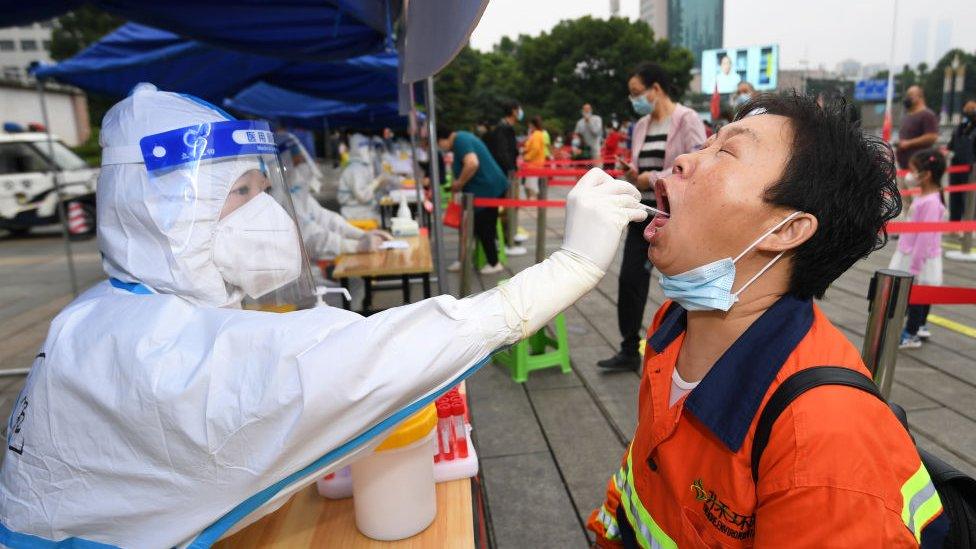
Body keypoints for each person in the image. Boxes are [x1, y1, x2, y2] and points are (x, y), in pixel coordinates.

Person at [0, 83, 647, 547]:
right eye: (243, 195)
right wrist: (565, 272)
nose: (266, 214)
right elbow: (352, 363)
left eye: (263, 190)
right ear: (167, 212)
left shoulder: (103, 317)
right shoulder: (150, 355)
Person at [587, 92, 946, 547]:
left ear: (786, 230)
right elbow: (641, 476)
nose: (683, 159)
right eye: (706, 143)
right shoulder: (673, 321)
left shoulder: (822, 442)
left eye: (727, 152)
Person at [598, 62, 706, 371]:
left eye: (637, 93)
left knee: (683, 282)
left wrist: (654, 177)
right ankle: (629, 347)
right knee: (630, 279)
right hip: (642, 212)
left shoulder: (687, 119)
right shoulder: (642, 125)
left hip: (674, 215)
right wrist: (633, 175)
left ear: (655, 89)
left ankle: (692, 351)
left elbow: (696, 164)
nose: (634, 100)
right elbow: (639, 166)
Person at [278, 132, 391, 258]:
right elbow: (310, 238)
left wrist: (362, 234)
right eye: (298, 161)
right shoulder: (280, 202)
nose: (304, 165)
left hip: (312, 265)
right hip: (301, 273)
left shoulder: (298, 195)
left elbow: (327, 219)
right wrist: (354, 246)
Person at [890, 149, 947, 349]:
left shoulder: (930, 202)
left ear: (927, 174)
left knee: (916, 294)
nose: (910, 175)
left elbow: (925, 236)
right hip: (918, 254)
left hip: (917, 256)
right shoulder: (930, 196)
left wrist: (914, 266)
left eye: (914, 171)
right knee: (924, 291)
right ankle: (921, 325)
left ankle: (911, 333)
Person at [438, 126, 511, 274]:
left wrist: (459, 183)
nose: (440, 147)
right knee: (473, 225)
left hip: (488, 190)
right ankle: (465, 260)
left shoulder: (460, 141)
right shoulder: (461, 139)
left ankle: (494, 262)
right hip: (484, 190)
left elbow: (472, 163)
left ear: (442, 139)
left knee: (484, 226)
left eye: (438, 143)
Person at [337, 133, 386, 221]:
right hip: (355, 213)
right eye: (366, 148)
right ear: (358, 149)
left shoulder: (361, 166)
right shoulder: (356, 169)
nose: (370, 151)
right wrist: (377, 182)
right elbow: (362, 196)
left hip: (361, 210)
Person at [895, 85, 939, 170]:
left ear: (920, 97)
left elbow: (932, 137)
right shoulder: (907, 115)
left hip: (919, 166)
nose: (907, 98)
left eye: (910, 95)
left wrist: (908, 143)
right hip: (905, 166)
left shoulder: (927, 115)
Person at [948, 98, 976, 222]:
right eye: (967, 109)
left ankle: (969, 227)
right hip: (957, 166)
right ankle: (954, 223)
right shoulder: (960, 127)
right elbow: (951, 145)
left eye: (972, 109)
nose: (968, 111)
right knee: (955, 197)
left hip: (971, 168)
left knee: (970, 199)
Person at [522, 116, 547, 200]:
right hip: (535, 164)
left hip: (533, 164)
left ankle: (533, 202)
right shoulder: (538, 134)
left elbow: (535, 149)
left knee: (531, 186)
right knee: (530, 185)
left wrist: (527, 157)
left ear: (532, 124)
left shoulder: (536, 135)